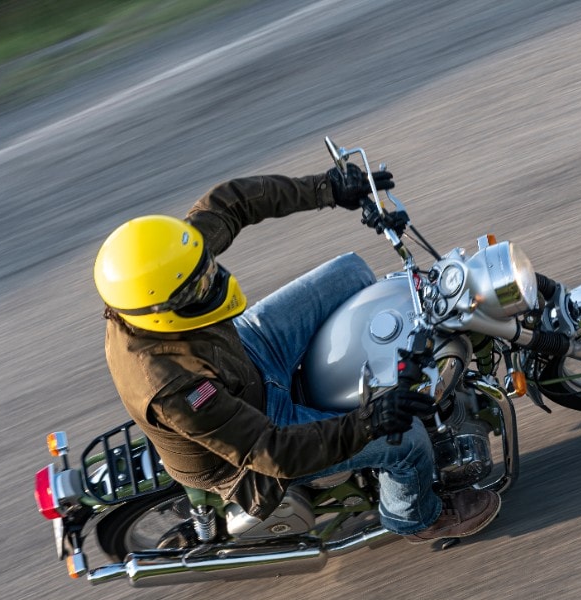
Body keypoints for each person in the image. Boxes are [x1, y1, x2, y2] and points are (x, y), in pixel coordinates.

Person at [93, 163, 501, 542]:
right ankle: (416, 517)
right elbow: (272, 451)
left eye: (208, 268)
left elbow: (231, 203)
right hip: (249, 441)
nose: (212, 280)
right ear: (160, 311)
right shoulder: (172, 387)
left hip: (243, 355)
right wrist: (370, 421)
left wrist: (328, 187)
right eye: (200, 286)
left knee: (350, 272)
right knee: (406, 439)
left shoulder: (172, 268)